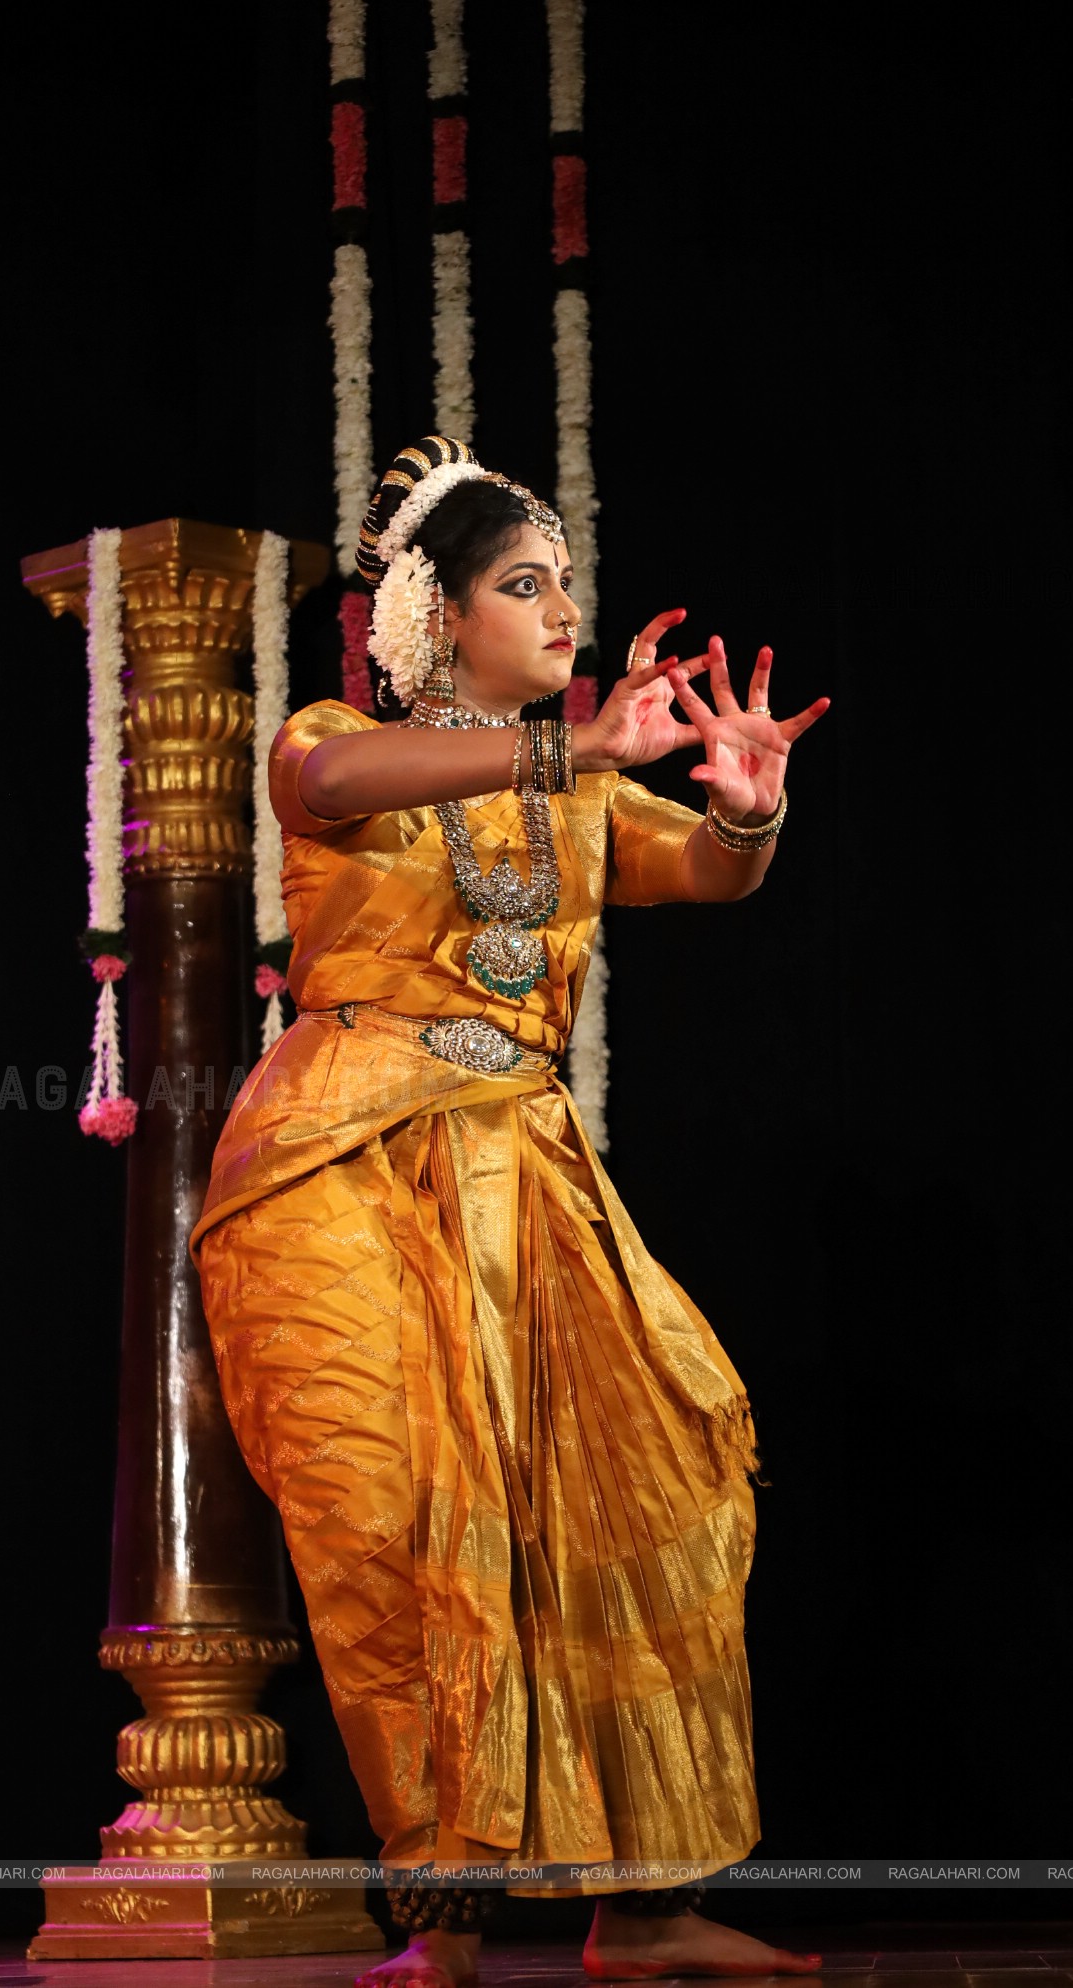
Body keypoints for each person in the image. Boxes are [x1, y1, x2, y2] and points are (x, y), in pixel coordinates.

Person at [188, 435, 831, 1983]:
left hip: (526, 1181)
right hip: (341, 1170)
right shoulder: (335, 739)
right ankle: (445, 1924)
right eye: (525, 587)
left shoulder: (582, 793)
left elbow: (704, 874)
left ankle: (650, 1903)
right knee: (396, 1522)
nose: (563, 615)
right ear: (437, 613)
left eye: (566, 588)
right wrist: (575, 754)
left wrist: (747, 810)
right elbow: (335, 783)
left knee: (646, 1487)